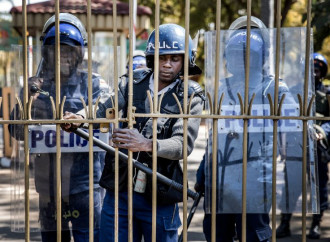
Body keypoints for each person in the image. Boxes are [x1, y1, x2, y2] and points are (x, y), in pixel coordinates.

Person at [61, 23, 204, 242]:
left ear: (186, 61)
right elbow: (102, 107)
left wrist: (145, 144)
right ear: (151, 58)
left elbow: (182, 144)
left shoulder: (191, 95)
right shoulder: (132, 82)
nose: (167, 65)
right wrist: (80, 118)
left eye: (175, 59)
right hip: (120, 188)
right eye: (162, 57)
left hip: (160, 192)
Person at [194, 15, 295, 242]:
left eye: (248, 54)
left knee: (253, 235)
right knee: (216, 234)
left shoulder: (275, 88)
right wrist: (203, 171)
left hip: (256, 179)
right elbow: (214, 137)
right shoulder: (221, 89)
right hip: (220, 179)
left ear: (261, 56)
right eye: (236, 55)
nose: (241, 60)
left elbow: (293, 131)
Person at [9, 13, 107, 242]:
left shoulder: (93, 84)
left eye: (69, 50)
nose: (63, 55)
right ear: (47, 52)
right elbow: (16, 131)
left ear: (79, 53)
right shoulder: (36, 86)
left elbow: (108, 124)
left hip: (87, 184)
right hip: (49, 186)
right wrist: (29, 99)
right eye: (57, 49)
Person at [276, 53, 329, 239]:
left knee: (319, 188)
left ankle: (316, 224)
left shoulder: (326, 94)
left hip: (318, 148)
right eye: (310, 70)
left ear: (321, 72)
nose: (313, 74)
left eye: (317, 70)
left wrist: (321, 132)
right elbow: (284, 118)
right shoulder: (292, 92)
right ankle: (284, 223)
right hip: (295, 146)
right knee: (291, 186)